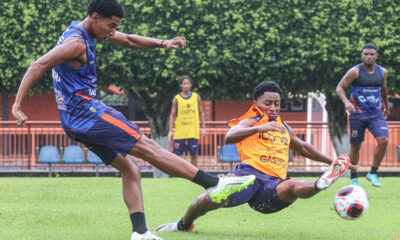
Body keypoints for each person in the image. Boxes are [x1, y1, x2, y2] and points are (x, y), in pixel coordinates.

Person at [11, 1, 256, 239]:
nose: (113, 31)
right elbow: (37, 64)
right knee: (147, 146)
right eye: (111, 25)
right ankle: (213, 183)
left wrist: (163, 43)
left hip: (74, 122)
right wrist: (17, 105)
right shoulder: (76, 43)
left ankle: (139, 232)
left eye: (116, 26)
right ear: (95, 17)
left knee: (130, 167)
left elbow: (128, 39)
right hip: (89, 114)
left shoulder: (85, 31)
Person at [155, 81, 350, 233]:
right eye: (268, 103)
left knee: (293, 185)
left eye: (277, 104)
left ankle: (320, 184)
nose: (273, 108)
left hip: (272, 187)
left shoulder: (285, 128)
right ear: (256, 103)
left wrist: (331, 162)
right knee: (207, 199)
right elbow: (229, 136)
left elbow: (304, 148)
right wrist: (259, 128)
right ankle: (182, 225)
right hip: (246, 178)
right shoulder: (250, 121)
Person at [336, 43, 389, 187]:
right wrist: (346, 102)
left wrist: (387, 105)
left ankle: (372, 173)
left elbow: (384, 90)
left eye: (372, 54)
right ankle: (353, 177)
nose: (369, 57)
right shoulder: (355, 72)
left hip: (375, 114)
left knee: (384, 140)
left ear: (376, 56)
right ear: (362, 55)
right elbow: (340, 87)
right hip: (357, 114)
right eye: (366, 54)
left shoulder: (382, 72)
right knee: (356, 147)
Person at [168, 75, 206, 167]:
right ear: (181, 85)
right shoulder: (176, 99)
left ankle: (195, 177)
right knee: (177, 156)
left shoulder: (196, 97)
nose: (186, 85)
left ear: (191, 85)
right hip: (180, 131)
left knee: (194, 156)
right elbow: (172, 115)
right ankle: (178, 176)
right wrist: (170, 130)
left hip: (192, 131)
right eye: (184, 83)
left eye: (188, 83)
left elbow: (201, 112)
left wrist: (204, 128)